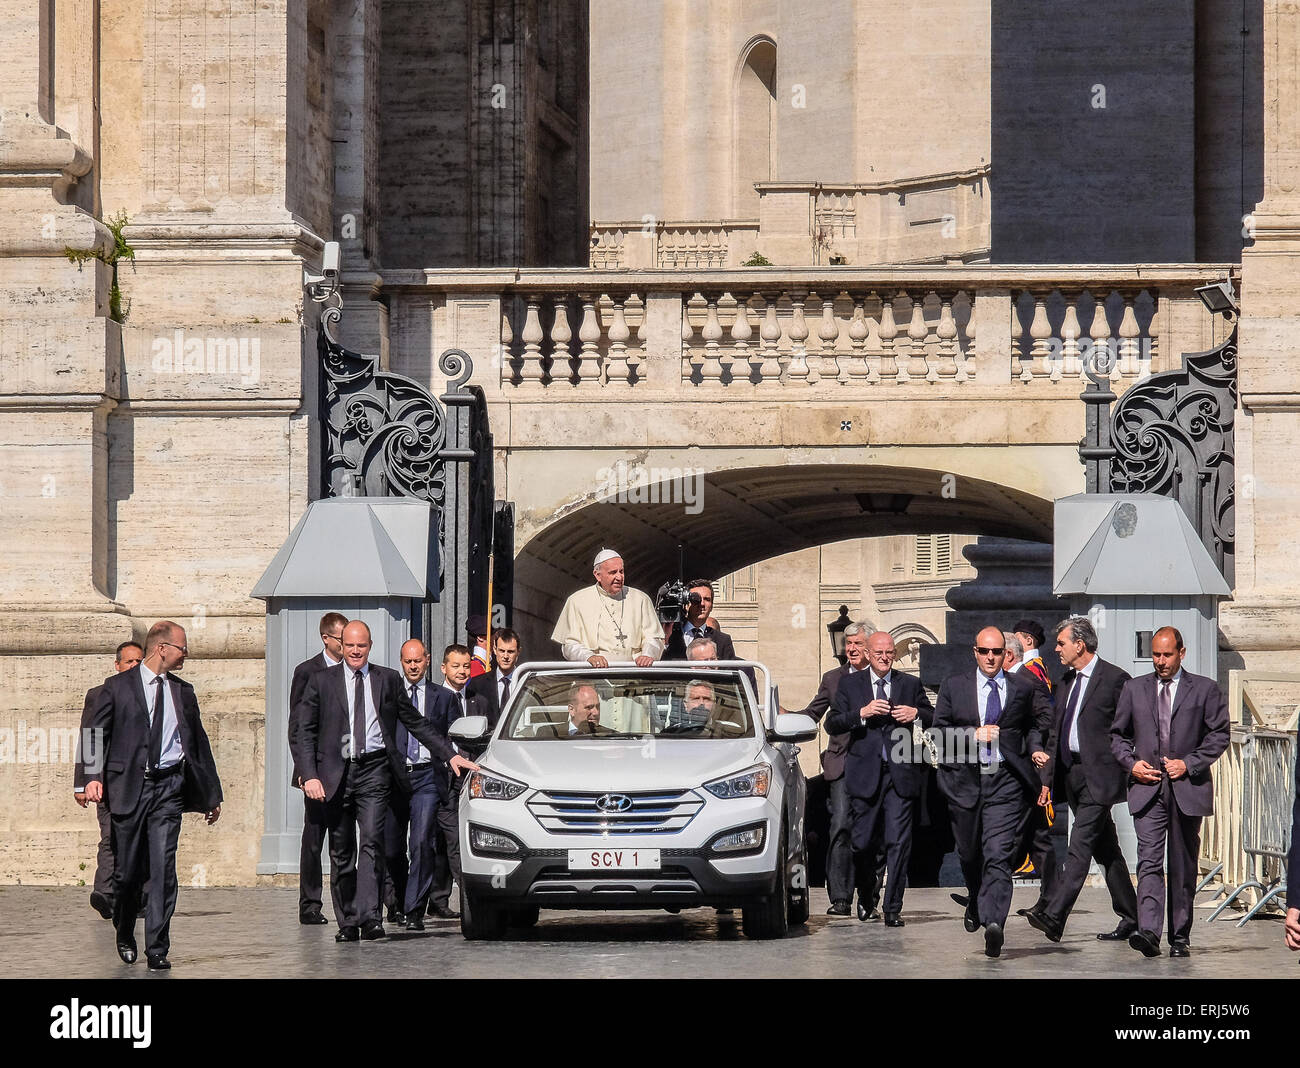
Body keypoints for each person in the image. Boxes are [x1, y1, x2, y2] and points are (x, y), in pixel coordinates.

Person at [292, 620, 478, 942]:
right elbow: (302, 731)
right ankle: (348, 921)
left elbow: (415, 721)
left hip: (375, 770)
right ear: (340, 645)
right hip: (336, 773)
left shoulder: (387, 680)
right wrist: (309, 774)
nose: (354, 651)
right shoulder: (321, 681)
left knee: (373, 842)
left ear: (370, 646)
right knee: (341, 850)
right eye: (349, 645)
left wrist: (448, 754)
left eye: (361, 646)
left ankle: (370, 917)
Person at [82, 621, 223, 970]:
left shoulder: (183, 692)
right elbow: (92, 735)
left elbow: (198, 745)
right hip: (129, 788)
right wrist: (89, 779)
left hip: (169, 789)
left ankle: (158, 947)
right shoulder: (115, 689)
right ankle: (126, 929)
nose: (186, 653)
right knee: (128, 873)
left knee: (163, 869)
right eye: (182, 647)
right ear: (162, 648)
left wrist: (211, 795)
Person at [1110, 627, 1229, 958]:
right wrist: (1132, 765)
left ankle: (1179, 935)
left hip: (1186, 789)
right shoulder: (1134, 689)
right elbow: (1117, 736)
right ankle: (1148, 931)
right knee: (1148, 861)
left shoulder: (1204, 690)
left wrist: (1188, 764)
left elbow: (1219, 735)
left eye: (1167, 655)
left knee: (1182, 864)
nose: (1160, 661)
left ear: (1182, 653)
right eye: (1156, 655)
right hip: (1147, 789)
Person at [1025, 616, 1139, 944]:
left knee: (1079, 844)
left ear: (1080, 644)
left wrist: (1129, 765)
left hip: (1100, 778)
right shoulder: (1065, 681)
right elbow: (1053, 734)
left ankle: (1054, 915)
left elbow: (1132, 728)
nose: (1056, 649)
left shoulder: (1116, 679)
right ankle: (1132, 917)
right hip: (1071, 774)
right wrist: (1047, 781)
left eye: (1061, 643)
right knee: (1106, 850)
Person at [932, 626, 1041, 958]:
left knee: (997, 854)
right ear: (975, 652)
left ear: (1005, 654)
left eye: (997, 652)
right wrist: (972, 735)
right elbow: (938, 734)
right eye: (985, 652)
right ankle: (977, 897)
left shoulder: (1023, 686)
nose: (991, 658)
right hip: (964, 781)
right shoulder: (954, 686)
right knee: (968, 854)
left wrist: (1035, 748)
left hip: (1005, 781)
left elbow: (1037, 723)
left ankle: (995, 923)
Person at [825, 631, 934, 928]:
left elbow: (933, 714)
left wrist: (915, 713)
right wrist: (861, 713)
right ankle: (866, 896)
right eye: (879, 653)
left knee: (898, 842)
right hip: (864, 775)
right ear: (869, 655)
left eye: (889, 653)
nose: (885, 658)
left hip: (901, 775)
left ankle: (893, 907)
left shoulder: (909, 684)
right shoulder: (850, 684)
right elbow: (831, 723)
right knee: (861, 843)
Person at [787, 623, 878, 918]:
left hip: (875, 763)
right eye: (848, 643)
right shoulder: (833, 678)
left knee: (875, 830)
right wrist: (783, 715)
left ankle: (870, 897)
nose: (850, 648)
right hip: (841, 763)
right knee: (840, 825)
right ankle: (840, 897)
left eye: (857, 643)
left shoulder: (881, 677)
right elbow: (812, 714)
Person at [385, 641, 475, 928]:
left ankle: (414, 911)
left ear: (427, 661)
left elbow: (455, 737)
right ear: (401, 661)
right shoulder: (389, 693)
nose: (412, 666)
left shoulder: (442, 697)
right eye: (407, 661)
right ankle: (395, 903)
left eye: (417, 661)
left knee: (422, 841)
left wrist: (456, 759)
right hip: (396, 776)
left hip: (427, 776)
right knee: (391, 847)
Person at [74, 640, 143, 920]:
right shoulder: (100, 693)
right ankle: (105, 893)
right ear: (117, 665)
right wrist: (83, 783)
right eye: (129, 662)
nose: (134, 667)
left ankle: (134, 897)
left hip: (141, 781)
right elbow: (89, 737)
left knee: (140, 841)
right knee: (110, 836)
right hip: (107, 783)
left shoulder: (152, 694)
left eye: (139, 661)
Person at [287, 611, 347, 925]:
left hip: (349, 769)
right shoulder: (308, 671)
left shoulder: (354, 669)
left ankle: (346, 907)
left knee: (344, 841)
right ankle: (310, 904)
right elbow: (297, 726)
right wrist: (304, 771)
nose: (348, 644)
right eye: (341, 638)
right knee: (313, 840)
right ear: (326, 638)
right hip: (318, 771)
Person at [1002, 631, 1059, 918]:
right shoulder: (1007, 681)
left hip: (1029, 771)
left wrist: (1043, 776)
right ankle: (1050, 900)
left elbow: (1047, 723)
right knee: (1034, 838)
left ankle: (986, 892)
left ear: (1008, 655)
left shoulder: (1027, 680)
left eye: (997, 652)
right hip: (1016, 773)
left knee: (1028, 837)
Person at [423, 644, 481, 921]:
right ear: (443, 668)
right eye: (456, 666)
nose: (462, 671)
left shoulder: (474, 698)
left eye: (466, 666)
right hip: (442, 777)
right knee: (444, 840)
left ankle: (440, 899)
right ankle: (451, 897)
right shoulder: (434, 697)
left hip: (469, 777)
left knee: (455, 838)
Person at [552, 548, 663, 666]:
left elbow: (654, 638)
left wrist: (647, 655)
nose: (619, 577)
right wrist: (588, 657)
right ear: (598, 575)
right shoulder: (577, 601)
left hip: (634, 672)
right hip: (594, 674)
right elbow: (569, 644)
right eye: (613, 572)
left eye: (621, 571)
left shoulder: (641, 599)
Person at [466, 627, 521, 728]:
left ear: (518, 652)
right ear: (494, 650)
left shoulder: (526, 682)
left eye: (510, 651)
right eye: (501, 650)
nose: (505, 656)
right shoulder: (477, 684)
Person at [1012, 618, 1052, 693]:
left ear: (1029, 641)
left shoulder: (1031, 667)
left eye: (1017, 639)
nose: (1014, 643)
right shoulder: (1038, 664)